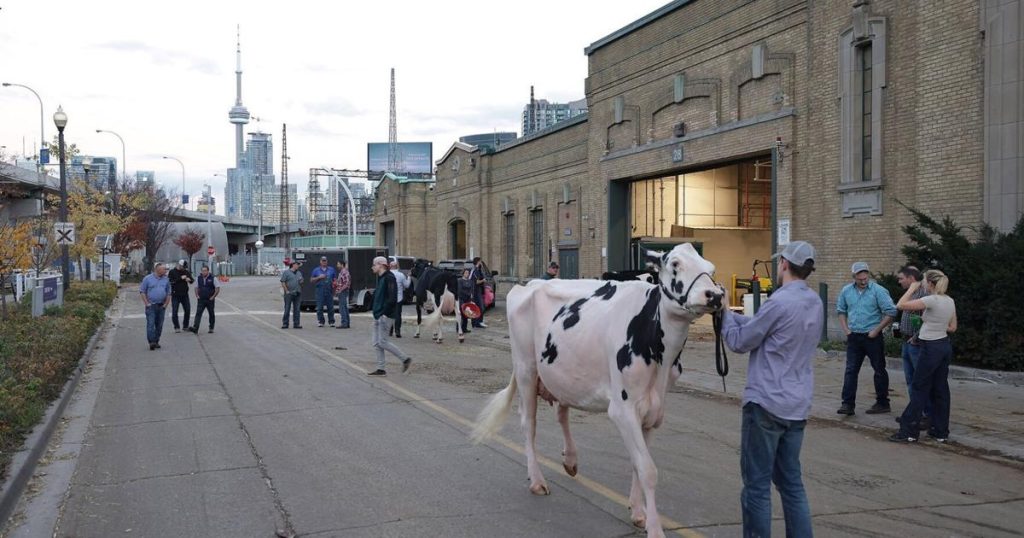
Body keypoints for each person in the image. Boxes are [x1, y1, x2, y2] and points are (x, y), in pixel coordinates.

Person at [721, 240, 822, 538]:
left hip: (765, 404)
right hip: (797, 405)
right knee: (791, 484)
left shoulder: (778, 302)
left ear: (785, 265)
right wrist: (735, 318)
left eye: (779, 263)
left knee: (757, 486)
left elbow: (740, 342)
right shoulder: (814, 302)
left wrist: (725, 311)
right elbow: (761, 326)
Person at [890, 269, 957, 443]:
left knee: (919, 387)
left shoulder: (931, 299)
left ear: (931, 284)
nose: (923, 284)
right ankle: (940, 431)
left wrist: (911, 288)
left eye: (925, 282)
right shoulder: (949, 300)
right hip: (943, 346)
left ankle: (909, 431)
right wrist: (934, 323)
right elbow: (952, 327)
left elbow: (900, 305)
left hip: (930, 347)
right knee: (940, 389)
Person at [836, 261, 898, 415]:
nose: (863, 281)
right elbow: (841, 310)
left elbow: (891, 312)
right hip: (854, 336)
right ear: (854, 277)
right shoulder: (846, 291)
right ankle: (847, 404)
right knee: (851, 370)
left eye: (865, 278)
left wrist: (877, 330)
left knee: (879, 369)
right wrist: (846, 330)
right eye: (860, 279)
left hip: (872, 337)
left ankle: (883, 402)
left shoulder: (878, 291)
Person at [896, 265, 931, 425]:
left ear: (911, 279)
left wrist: (916, 337)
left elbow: (928, 318)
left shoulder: (923, 293)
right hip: (906, 341)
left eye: (901, 278)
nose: (899, 281)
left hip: (916, 343)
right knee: (910, 380)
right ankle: (915, 412)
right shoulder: (910, 292)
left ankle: (927, 413)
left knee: (919, 380)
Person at [367, 256, 411, 376]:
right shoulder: (381, 278)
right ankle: (381, 368)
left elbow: (392, 298)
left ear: (380, 265)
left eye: (374, 265)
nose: (372, 267)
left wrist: (384, 313)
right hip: (378, 314)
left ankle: (405, 359)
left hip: (385, 315)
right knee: (376, 342)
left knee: (382, 341)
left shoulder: (389, 278)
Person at [139, 263, 172, 350]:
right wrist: (147, 303)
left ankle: (156, 341)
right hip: (151, 306)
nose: (165, 271)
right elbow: (142, 291)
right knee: (150, 324)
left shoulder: (166, 280)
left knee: (159, 325)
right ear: (158, 270)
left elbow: (169, 293)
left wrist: (165, 304)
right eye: (164, 269)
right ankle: (151, 342)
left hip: (161, 306)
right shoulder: (147, 279)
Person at [189, 265, 220, 334]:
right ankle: (195, 328)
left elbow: (217, 288)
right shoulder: (198, 278)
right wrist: (197, 295)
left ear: (208, 271)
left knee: (211, 314)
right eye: (202, 271)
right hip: (201, 299)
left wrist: (213, 297)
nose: (203, 272)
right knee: (198, 314)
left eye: (205, 271)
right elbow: (196, 287)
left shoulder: (213, 278)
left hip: (210, 299)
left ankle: (211, 328)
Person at [168, 259, 194, 333]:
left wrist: (190, 280)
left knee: (187, 310)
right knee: (175, 311)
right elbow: (171, 281)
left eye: (185, 267)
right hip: (175, 295)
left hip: (185, 294)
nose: (184, 269)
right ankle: (176, 327)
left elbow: (192, 280)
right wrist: (180, 278)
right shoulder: (172, 272)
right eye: (183, 267)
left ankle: (185, 326)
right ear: (179, 265)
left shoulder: (186, 272)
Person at [311, 256, 337, 327]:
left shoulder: (331, 269)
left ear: (327, 261)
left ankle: (331, 321)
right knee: (319, 307)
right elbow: (311, 280)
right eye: (323, 261)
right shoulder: (316, 270)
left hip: (329, 290)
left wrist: (335, 285)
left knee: (330, 307)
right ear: (320, 262)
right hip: (320, 291)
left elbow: (335, 279)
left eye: (325, 261)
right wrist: (319, 277)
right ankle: (321, 321)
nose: (324, 262)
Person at [389, 257, 410, 338]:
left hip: (389, 299)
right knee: (398, 315)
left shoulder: (387, 275)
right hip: (399, 298)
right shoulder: (401, 275)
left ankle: (389, 331)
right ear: (397, 266)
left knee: (390, 315)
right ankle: (397, 331)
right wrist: (408, 277)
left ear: (390, 266)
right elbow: (407, 285)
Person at [280, 260, 303, 329]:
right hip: (289, 293)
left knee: (297, 309)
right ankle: (285, 323)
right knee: (287, 308)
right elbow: (283, 282)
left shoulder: (299, 273)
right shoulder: (286, 272)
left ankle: (296, 324)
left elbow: (301, 281)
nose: (298, 266)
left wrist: (301, 281)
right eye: (297, 264)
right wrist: (286, 290)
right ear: (293, 265)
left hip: (297, 293)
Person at [457, 268, 475, 334]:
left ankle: (464, 328)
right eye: (466, 273)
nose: (467, 274)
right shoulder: (460, 281)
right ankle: (458, 328)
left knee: (466, 314)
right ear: (463, 273)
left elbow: (472, 290)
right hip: (461, 299)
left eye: (468, 273)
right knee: (460, 314)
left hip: (468, 299)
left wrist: (471, 297)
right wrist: (468, 294)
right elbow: (459, 290)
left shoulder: (470, 281)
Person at [471, 257, 488, 328]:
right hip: (476, 291)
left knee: (478, 307)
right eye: (480, 261)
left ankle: (476, 322)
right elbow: (477, 282)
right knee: (480, 307)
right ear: (478, 262)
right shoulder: (475, 271)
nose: (481, 262)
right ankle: (478, 322)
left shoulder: (478, 270)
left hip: (479, 291)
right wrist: (483, 280)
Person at [333, 260, 351, 329]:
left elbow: (346, 283)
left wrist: (340, 290)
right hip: (342, 291)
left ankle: (344, 323)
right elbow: (341, 282)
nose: (337, 266)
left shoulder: (344, 272)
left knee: (342, 308)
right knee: (344, 307)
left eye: (338, 264)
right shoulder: (341, 273)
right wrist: (336, 284)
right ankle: (347, 323)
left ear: (342, 265)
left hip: (343, 291)